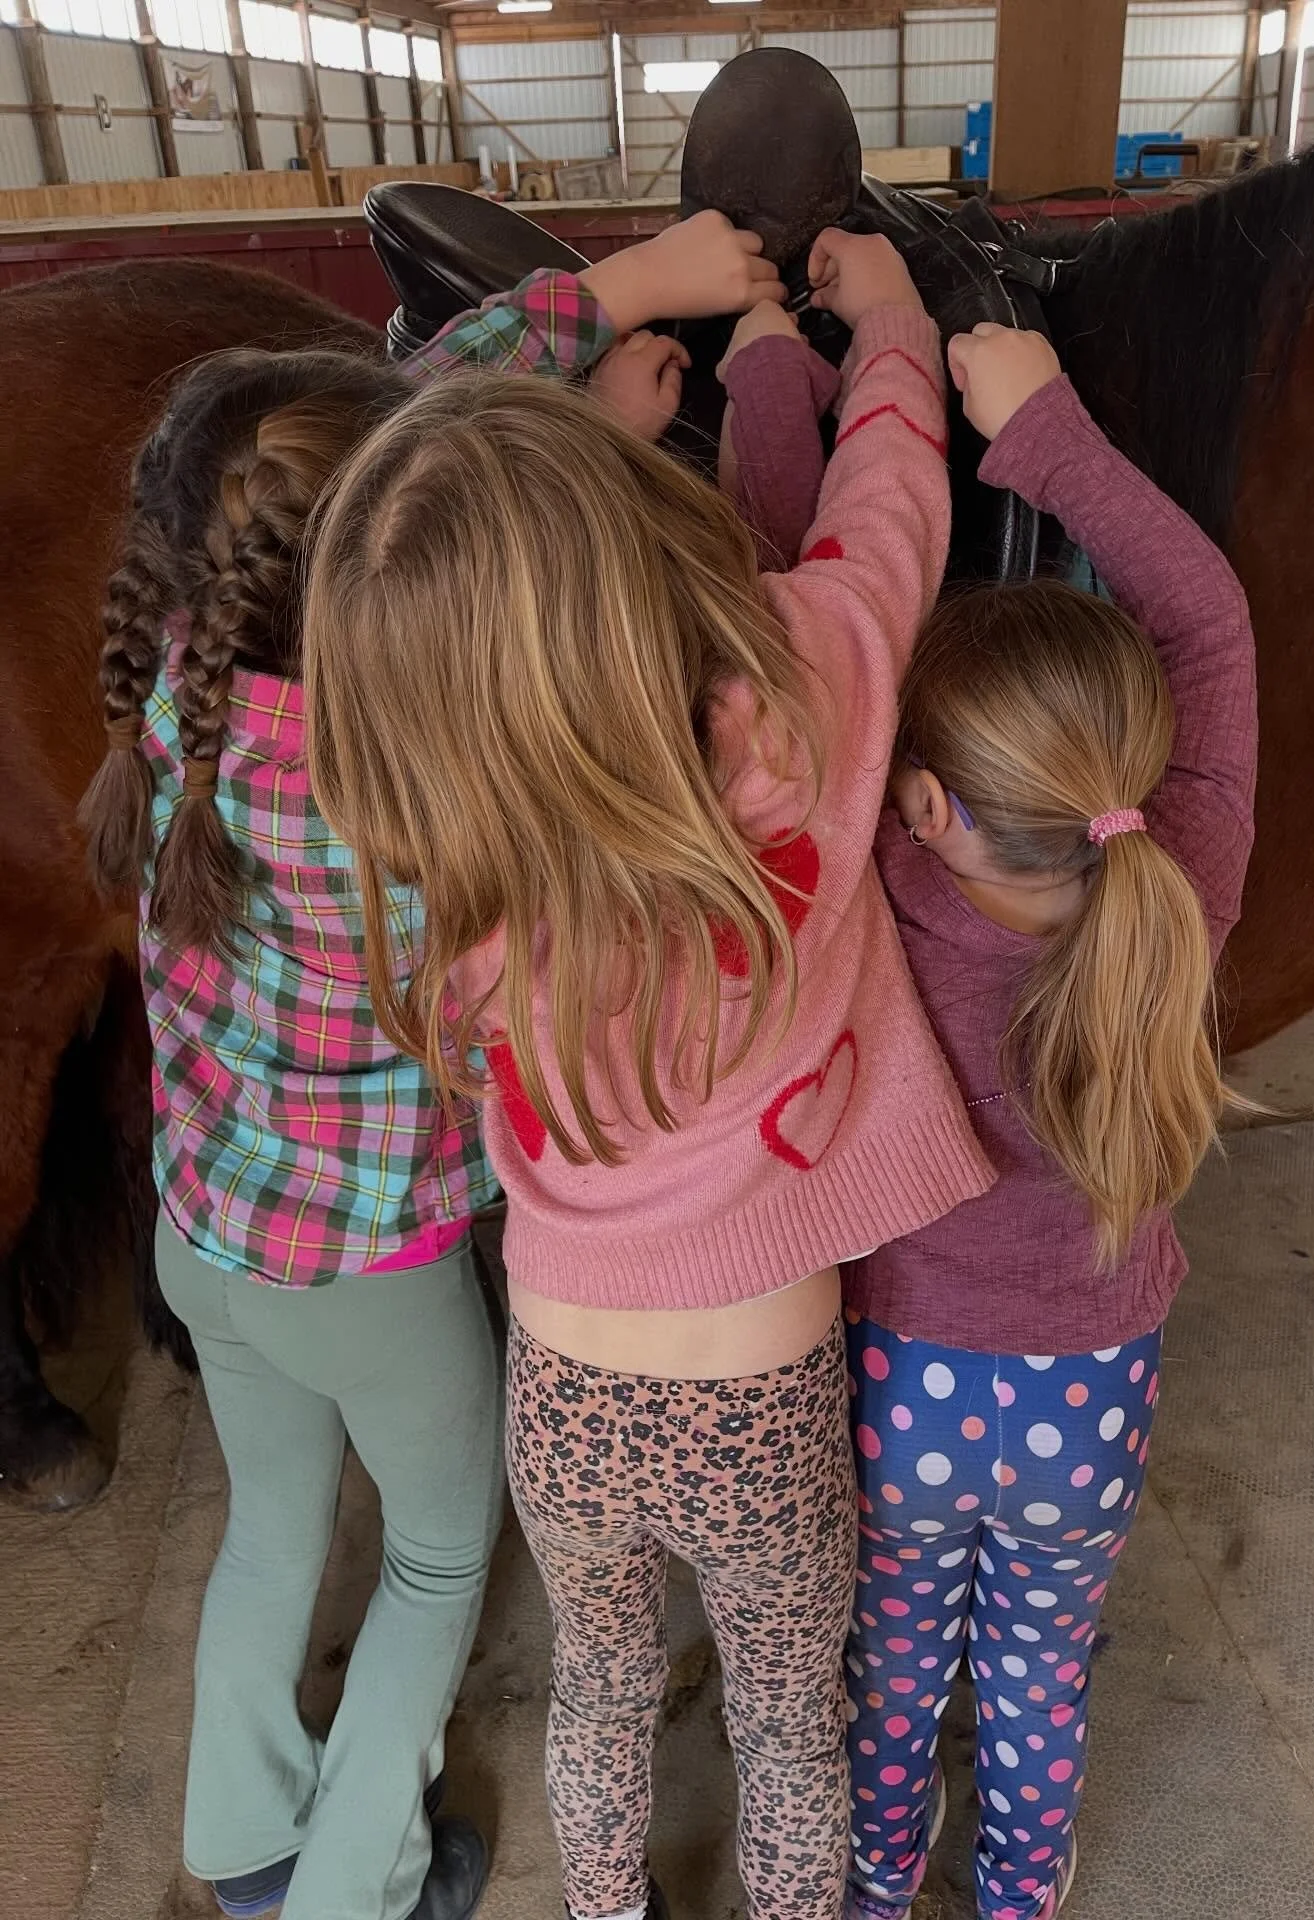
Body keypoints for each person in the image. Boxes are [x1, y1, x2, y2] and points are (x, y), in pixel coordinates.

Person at [76, 216, 786, 1920]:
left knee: (270, 1529)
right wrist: (607, 422)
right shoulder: (418, 793)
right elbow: (401, 447)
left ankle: (242, 1842)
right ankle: (354, 1893)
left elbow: (373, 429)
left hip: (207, 1236)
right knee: (437, 1556)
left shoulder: (186, 672)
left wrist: (595, 317)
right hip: (370, 1275)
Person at [302, 230, 998, 1920]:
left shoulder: (435, 831)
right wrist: (887, 327)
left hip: (566, 1384)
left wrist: (584, 377)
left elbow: (390, 527)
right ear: (629, 551)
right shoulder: (810, 684)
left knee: (599, 1697)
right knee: (785, 1724)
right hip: (760, 1391)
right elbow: (892, 501)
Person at [838, 324, 1257, 1920]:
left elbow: (822, 646)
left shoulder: (882, 902)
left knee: (890, 1661)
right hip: (1091, 1391)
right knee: (1036, 1670)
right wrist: (1049, 426)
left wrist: (787, 379)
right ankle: (1018, 1894)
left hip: (898, 1385)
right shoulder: (1184, 882)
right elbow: (1206, 619)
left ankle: (881, 1887)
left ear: (926, 807)